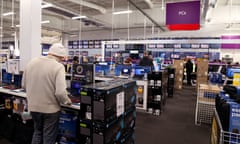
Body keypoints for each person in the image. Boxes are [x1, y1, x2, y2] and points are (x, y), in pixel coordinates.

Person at [22, 43, 72, 144]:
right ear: (60, 57)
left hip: (34, 107)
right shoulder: (58, 67)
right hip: (50, 110)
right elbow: (60, 92)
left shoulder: (32, 62)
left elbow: (24, 85)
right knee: (48, 137)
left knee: (37, 132)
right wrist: (67, 101)